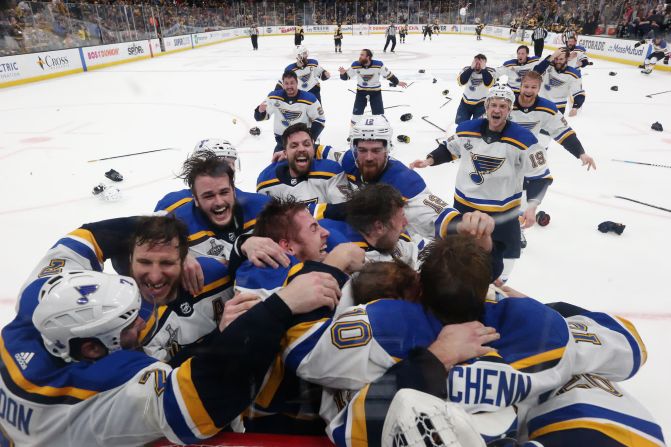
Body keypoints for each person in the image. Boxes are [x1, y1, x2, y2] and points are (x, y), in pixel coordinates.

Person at [293, 237, 654, 446]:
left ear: (418, 286)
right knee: (592, 393)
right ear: (486, 292)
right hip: (511, 421)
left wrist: (332, 276)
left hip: (408, 422)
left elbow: (302, 354)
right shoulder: (538, 328)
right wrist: (544, 308)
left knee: (356, 398)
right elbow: (630, 349)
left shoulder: (386, 323)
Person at [0, 264, 340, 445]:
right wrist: (281, 306)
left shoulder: (21, 332)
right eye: (127, 327)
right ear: (91, 348)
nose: (141, 326)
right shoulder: (106, 391)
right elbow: (212, 392)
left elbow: (84, 238)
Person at [20, 214, 234, 363]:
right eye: (145, 262)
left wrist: (243, 247)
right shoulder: (101, 323)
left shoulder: (214, 273)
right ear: (130, 260)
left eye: (167, 262)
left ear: (184, 260)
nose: (155, 275)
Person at [410, 84, 552, 281]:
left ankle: (497, 287)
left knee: (506, 257)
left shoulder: (525, 139)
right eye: (493, 105)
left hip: (503, 212)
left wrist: (532, 206)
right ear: (486, 107)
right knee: (458, 255)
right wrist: (429, 160)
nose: (497, 110)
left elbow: (540, 175)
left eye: (503, 106)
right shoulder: (466, 129)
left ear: (509, 110)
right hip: (465, 207)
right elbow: (450, 148)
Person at [321, 114, 479, 240]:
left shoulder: (404, 182)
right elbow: (324, 151)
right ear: (354, 150)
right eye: (363, 150)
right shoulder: (349, 160)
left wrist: (465, 225)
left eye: (376, 150)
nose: (368, 157)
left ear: (387, 150)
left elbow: (438, 216)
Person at [512, 71, 596, 171]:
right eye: (526, 86)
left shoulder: (547, 108)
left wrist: (581, 153)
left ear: (539, 89)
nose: (529, 90)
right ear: (520, 87)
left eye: (533, 87)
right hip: (503, 154)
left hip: (527, 154)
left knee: (542, 182)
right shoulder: (507, 104)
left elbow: (563, 131)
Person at [256, 123, 349, 204]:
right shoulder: (266, 182)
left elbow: (345, 215)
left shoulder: (331, 173)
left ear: (314, 148)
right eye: (294, 146)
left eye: (306, 144)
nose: (301, 149)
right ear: (285, 153)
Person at [154, 138, 241, 214]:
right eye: (225, 164)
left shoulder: (244, 198)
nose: (232, 169)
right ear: (202, 164)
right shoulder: (174, 203)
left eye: (233, 164)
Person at [255, 70, 326, 152]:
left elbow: (320, 120)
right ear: (283, 84)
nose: (289, 86)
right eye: (286, 83)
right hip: (282, 143)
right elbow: (260, 117)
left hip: (302, 145)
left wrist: (311, 138)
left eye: (292, 83)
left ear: (297, 83)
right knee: (277, 165)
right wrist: (260, 111)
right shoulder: (273, 97)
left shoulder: (310, 99)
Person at [338, 49, 408, 116]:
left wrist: (397, 82)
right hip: (361, 92)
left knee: (379, 115)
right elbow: (346, 77)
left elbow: (388, 75)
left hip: (375, 92)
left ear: (368, 57)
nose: (360, 56)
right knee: (356, 114)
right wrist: (342, 74)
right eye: (360, 55)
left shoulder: (378, 65)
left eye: (362, 55)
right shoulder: (355, 65)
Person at [533, 48, 585, 116]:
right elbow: (535, 72)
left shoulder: (574, 74)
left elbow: (579, 93)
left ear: (567, 59)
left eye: (561, 59)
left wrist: (575, 107)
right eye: (556, 59)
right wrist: (552, 56)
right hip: (541, 103)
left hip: (558, 107)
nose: (558, 62)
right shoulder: (547, 64)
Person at [455, 53, 496, 124]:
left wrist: (483, 69)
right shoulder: (466, 69)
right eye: (476, 62)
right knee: (461, 125)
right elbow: (461, 82)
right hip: (465, 103)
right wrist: (471, 68)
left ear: (485, 64)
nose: (477, 65)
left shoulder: (491, 71)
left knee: (478, 126)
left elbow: (488, 84)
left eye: (480, 63)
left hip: (481, 105)